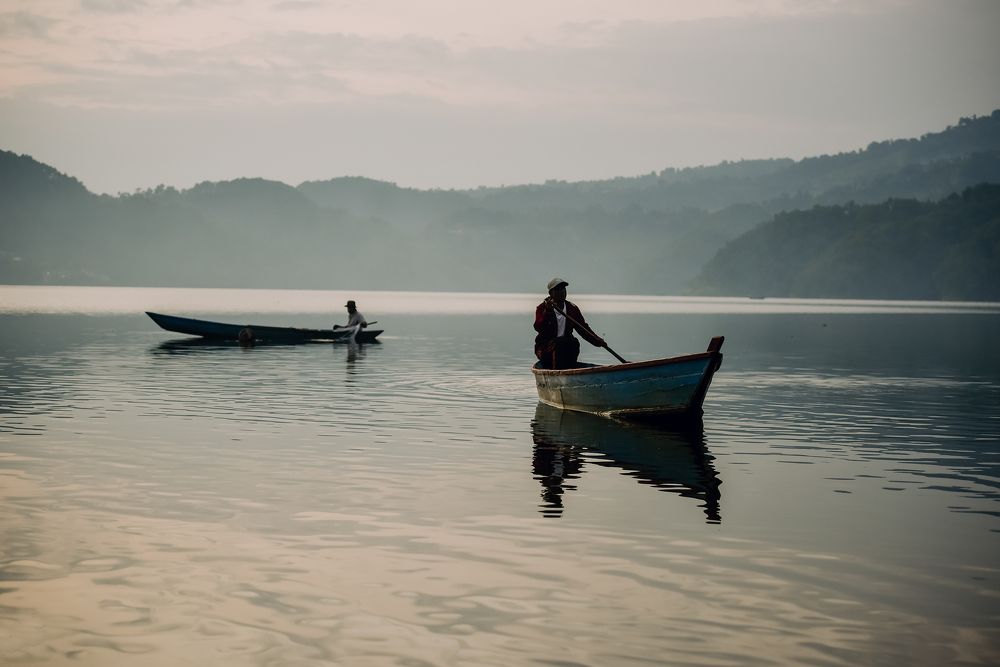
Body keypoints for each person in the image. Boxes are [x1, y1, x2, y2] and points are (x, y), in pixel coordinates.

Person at [534, 278, 606, 369]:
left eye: (563, 288)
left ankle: (569, 369)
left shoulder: (572, 308)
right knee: (558, 344)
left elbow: (583, 328)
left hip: (566, 346)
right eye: (558, 289)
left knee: (573, 343)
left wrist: (597, 340)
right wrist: (547, 312)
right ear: (551, 293)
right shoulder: (542, 308)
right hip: (545, 348)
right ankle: (557, 372)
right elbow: (538, 327)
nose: (562, 291)